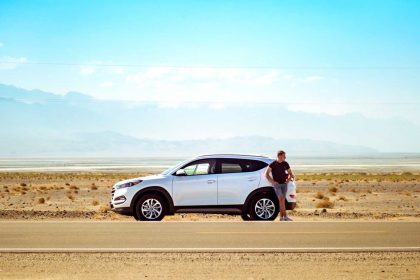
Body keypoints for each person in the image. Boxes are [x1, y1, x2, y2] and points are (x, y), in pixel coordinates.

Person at [264, 150, 294, 221]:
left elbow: (290, 173)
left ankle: (284, 217)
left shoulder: (285, 163)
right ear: (280, 156)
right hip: (277, 185)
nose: (285, 157)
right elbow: (266, 174)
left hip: (284, 184)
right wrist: (273, 182)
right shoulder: (273, 164)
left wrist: (288, 181)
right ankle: (282, 217)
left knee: (282, 200)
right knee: (280, 199)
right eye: (284, 156)